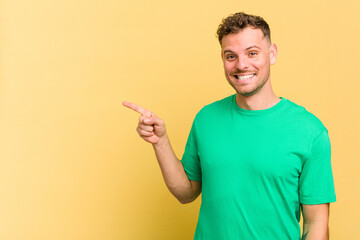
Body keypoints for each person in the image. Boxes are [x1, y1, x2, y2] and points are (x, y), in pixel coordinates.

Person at [123, 12, 336, 240]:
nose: (242, 65)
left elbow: (316, 223)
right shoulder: (206, 119)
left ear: (272, 54)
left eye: (252, 53)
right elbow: (186, 193)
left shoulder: (310, 132)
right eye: (230, 56)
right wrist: (160, 142)